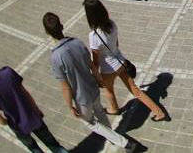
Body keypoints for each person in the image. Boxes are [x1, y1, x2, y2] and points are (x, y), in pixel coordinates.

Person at [42, 13, 132, 150]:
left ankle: (123, 142)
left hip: (81, 97)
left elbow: (65, 86)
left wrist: (70, 106)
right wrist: (99, 80)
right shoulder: (77, 42)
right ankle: (111, 135)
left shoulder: (56, 57)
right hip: (93, 87)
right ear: (61, 26)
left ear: (47, 32)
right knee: (100, 112)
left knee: (89, 122)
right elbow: (92, 66)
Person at [0, 38, 68, 153]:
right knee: (53, 144)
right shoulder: (8, 72)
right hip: (31, 115)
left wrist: (6, 122)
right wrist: (36, 109)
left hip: (17, 125)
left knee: (34, 148)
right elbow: (25, 93)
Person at [83, 0, 166, 120]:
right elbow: (116, 44)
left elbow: (96, 60)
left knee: (109, 90)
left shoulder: (94, 35)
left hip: (108, 70)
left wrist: (96, 76)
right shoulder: (111, 24)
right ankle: (159, 112)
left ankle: (114, 109)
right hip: (121, 62)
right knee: (136, 91)